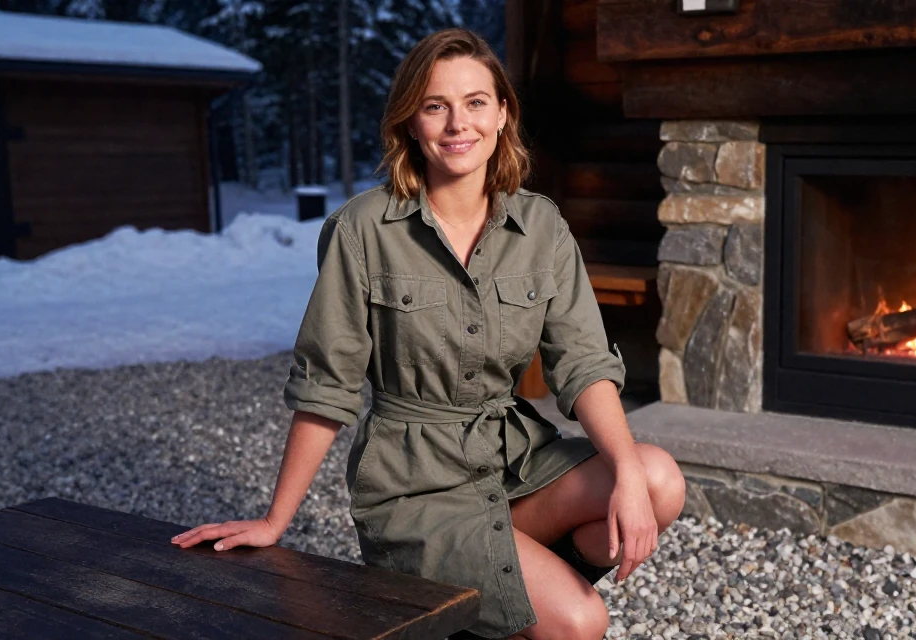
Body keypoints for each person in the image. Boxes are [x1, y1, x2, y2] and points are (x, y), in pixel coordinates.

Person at [170, 28, 686, 640]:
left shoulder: (542, 224)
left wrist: (623, 471)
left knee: (657, 480)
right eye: (435, 105)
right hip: (415, 488)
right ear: (410, 122)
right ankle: (499, 591)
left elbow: (584, 364)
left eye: (474, 102)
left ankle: (495, 595)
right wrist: (276, 519)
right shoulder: (361, 229)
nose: (456, 124)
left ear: (501, 115)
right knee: (580, 621)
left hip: (514, 461)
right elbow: (326, 386)